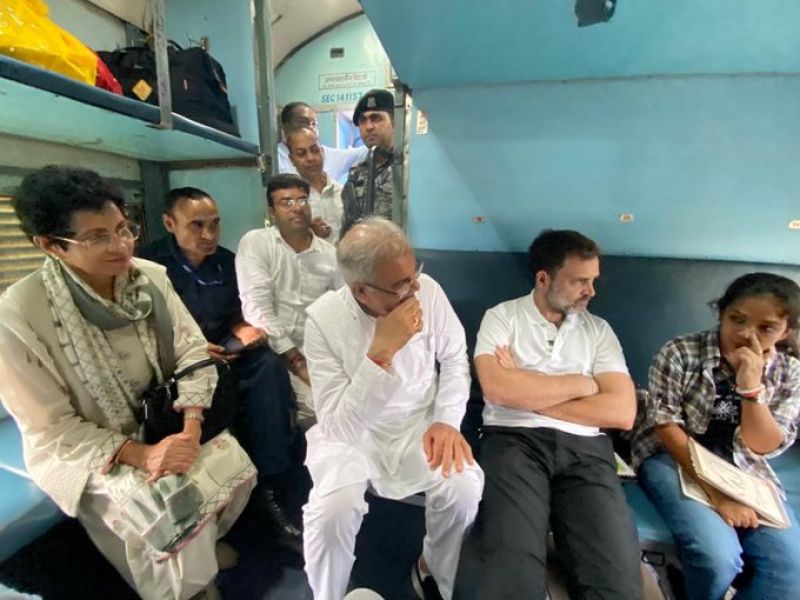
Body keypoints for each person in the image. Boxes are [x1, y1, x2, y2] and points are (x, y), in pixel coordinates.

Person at [0, 166, 256, 600]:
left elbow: (192, 349)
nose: (121, 246)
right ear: (50, 245)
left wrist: (190, 429)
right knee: (159, 497)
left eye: (123, 229)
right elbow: (52, 427)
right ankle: (181, 587)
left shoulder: (150, 277)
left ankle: (198, 554)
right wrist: (144, 453)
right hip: (83, 448)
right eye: (97, 237)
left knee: (225, 458)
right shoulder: (19, 315)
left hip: (162, 422)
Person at [454, 229, 643, 600]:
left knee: (616, 577)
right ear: (543, 279)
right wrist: (583, 383)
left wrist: (524, 386)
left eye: (593, 281)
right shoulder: (502, 318)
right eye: (580, 281)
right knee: (509, 568)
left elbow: (622, 412)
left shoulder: (598, 331)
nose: (591, 291)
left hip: (587, 450)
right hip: (513, 441)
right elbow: (498, 390)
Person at [302, 217, 484, 600]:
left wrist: (447, 422)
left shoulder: (428, 291)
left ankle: (433, 567)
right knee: (331, 512)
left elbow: (454, 359)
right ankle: (328, 594)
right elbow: (339, 427)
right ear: (362, 291)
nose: (415, 286)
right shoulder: (322, 320)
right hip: (352, 434)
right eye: (402, 284)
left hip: (419, 422)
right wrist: (380, 353)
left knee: (463, 488)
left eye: (414, 272)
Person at [137, 187, 302, 548]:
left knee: (268, 367)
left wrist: (243, 329)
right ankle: (201, 504)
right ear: (169, 223)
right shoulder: (146, 266)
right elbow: (141, 327)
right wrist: (190, 349)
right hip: (176, 364)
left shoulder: (228, 263)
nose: (209, 235)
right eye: (197, 226)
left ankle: (272, 484)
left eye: (215, 225)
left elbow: (246, 311)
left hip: (225, 355)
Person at [631, 272, 800, 599]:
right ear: (721, 313)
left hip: (744, 467)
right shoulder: (680, 351)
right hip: (675, 456)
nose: (746, 334)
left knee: (790, 568)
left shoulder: (789, 371)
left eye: (766, 328)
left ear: (785, 331)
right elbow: (666, 426)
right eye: (737, 319)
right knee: (717, 559)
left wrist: (751, 387)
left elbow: (762, 446)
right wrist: (717, 495)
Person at [236, 174, 339, 421]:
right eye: (286, 202)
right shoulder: (256, 243)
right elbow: (257, 307)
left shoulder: (330, 255)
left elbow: (342, 308)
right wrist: (296, 360)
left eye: (302, 200)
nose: (297, 207)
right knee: (319, 409)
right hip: (273, 351)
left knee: (349, 402)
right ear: (271, 210)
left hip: (318, 350)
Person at [341, 89, 396, 235]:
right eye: (363, 120)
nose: (369, 127)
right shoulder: (356, 174)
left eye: (376, 118)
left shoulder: (407, 169)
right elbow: (348, 225)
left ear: (395, 122)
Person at [277, 101, 367, 182]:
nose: (311, 128)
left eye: (314, 123)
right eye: (303, 122)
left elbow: (364, 152)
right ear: (285, 127)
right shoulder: (276, 157)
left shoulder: (329, 155)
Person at [286, 126, 344, 243]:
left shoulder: (343, 192)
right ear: (292, 159)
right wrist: (307, 234)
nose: (310, 158)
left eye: (315, 150)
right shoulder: (287, 200)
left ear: (322, 152)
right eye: (301, 153)